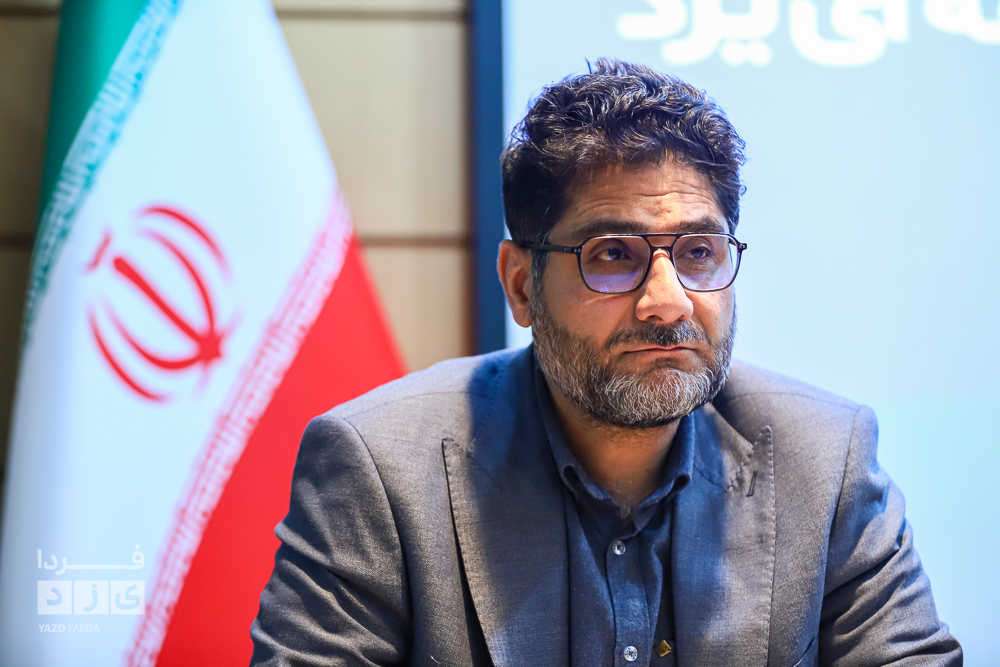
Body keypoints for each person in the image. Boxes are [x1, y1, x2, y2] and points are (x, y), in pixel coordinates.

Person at [249, 60, 961, 666]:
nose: (668, 302)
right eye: (613, 255)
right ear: (521, 285)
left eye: (699, 252)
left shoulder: (826, 459)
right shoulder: (381, 469)